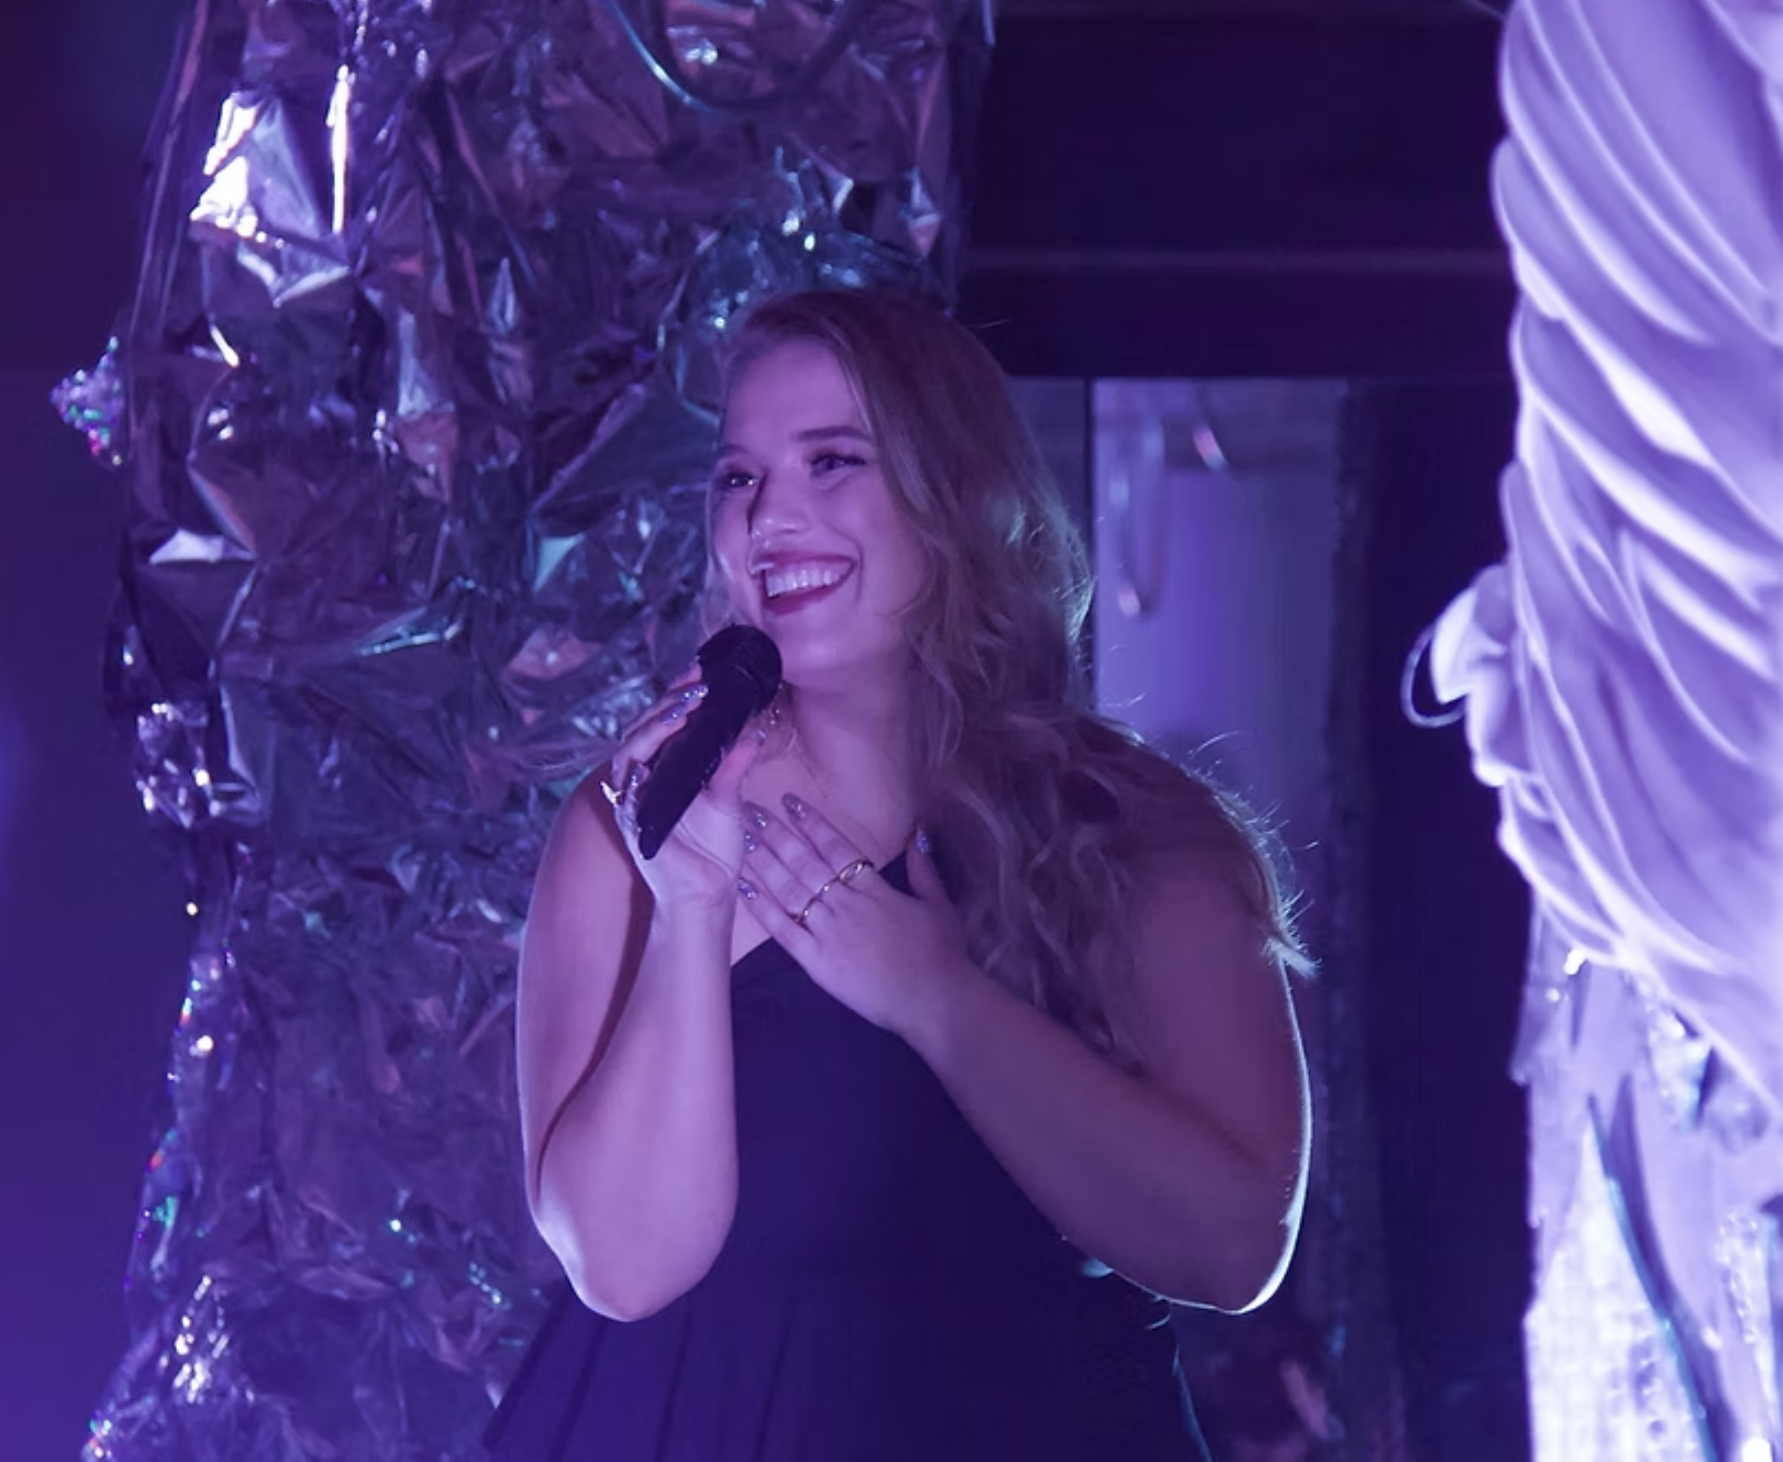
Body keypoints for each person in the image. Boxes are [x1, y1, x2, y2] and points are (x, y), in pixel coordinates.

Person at [486, 288, 1312, 1462]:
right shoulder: (636, 821)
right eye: (739, 477)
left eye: (833, 461)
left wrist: (939, 1000)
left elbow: (1235, 1249)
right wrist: (690, 908)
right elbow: (622, 1266)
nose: (772, 516)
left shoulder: (1137, 832)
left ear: (957, 497)